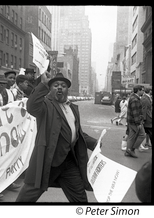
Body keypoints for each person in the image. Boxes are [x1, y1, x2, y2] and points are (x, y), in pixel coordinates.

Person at [16, 71, 98, 202]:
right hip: (48, 160)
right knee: (26, 198)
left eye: (63, 85)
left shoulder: (73, 108)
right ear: (50, 88)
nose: (59, 87)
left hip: (69, 163)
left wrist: (95, 143)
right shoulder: (46, 105)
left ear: (67, 90)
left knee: (80, 199)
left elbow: (77, 133)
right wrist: (42, 84)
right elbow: (32, 107)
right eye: (55, 85)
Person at [124, 85, 146, 158]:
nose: (143, 91)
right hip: (135, 121)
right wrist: (138, 123)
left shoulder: (133, 97)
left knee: (131, 136)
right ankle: (132, 149)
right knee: (142, 135)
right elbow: (135, 112)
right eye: (142, 90)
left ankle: (128, 150)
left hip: (131, 121)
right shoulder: (135, 99)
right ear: (138, 90)